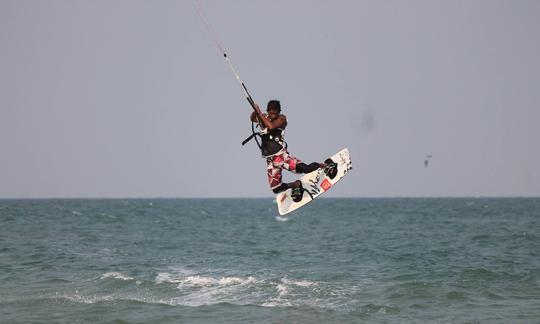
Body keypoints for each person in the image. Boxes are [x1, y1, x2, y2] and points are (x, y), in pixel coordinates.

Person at [250, 100, 333, 201]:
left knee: (305, 169)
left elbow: (271, 126)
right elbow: (253, 118)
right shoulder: (264, 117)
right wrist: (255, 111)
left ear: (279, 112)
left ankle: (324, 165)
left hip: (281, 156)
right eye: (271, 113)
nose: (273, 116)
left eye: (276, 113)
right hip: (270, 160)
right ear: (268, 111)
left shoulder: (282, 119)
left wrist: (259, 114)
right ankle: (295, 185)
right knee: (276, 188)